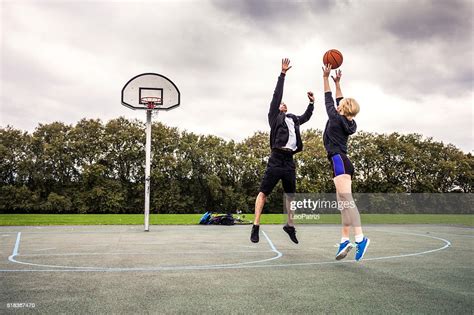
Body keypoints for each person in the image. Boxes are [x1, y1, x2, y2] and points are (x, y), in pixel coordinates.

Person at [250, 58, 315, 244]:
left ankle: (289, 225)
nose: (282, 104)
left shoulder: (293, 119)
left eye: (284, 104)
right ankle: (255, 225)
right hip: (276, 158)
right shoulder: (274, 118)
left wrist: (311, 103)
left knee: (291, 196)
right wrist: (283, 74)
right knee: (263, 192)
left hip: (289, 161)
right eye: (280, 104)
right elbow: (276, 96)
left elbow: (306, 117)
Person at [322, 64, 370, 261]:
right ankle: (344, 240)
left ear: (341, 109)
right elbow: (339, 100)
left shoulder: (335, 117)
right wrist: (338, 83)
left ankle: (360, 238)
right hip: (342, 162)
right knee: (343, 205)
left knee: (347, 201)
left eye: (340, 105)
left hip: (339, 161)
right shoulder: (349, 122)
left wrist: (325, 78)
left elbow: (328, 98)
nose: (338, 105)